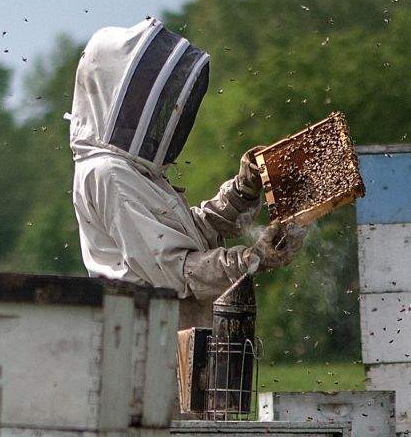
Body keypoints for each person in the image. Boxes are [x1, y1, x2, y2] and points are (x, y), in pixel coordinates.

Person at [64, 17, 303, 317]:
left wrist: (241, 192)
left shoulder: (132, 169)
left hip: (172, 338)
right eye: (137, 94)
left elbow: (187, 234)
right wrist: (251, 258)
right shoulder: (109, 172)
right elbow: (176, 270)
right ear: (111, 94)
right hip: (149, 344)